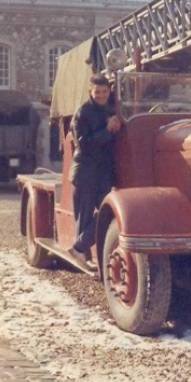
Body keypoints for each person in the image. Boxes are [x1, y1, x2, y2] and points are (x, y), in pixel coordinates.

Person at [68, 74, 121, 269]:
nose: (101, 95)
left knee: (109, 213)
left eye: (104, 91)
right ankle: (82, 254)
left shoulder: (110, 108)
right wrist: (107, 130)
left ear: (109, 91)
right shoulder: (82, 112)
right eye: (97, 92)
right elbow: (83, 145)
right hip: (86, 173)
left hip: (102, 174)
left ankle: (79, 249)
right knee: (84, 217)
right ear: (90, 92)